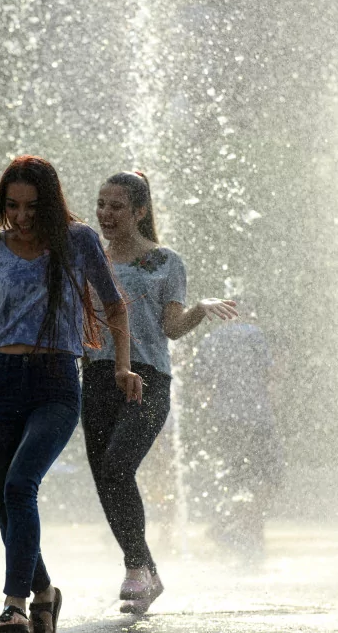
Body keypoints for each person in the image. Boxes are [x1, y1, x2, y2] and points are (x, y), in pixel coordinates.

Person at [0, 155, 142, 633]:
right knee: (6, 499)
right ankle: (45, 592)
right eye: (13, 206)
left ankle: (14, 603)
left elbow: (115, 307)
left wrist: (122, 366)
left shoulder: (77, 241)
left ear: (49, 205)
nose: (21, 216)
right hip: (1, 381)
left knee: (21, 485)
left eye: (32, 207)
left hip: (57, 382)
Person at [82, 171, 238, 613]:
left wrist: (200, 310)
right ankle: (147, 573)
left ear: (139, 211)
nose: (106, 214)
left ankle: (135, 567)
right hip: (96, 378)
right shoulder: (89, 257)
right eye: (101, 204)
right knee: (106, 481)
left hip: (148, 381)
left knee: (116, 466)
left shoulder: (167, 261)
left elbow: (170, 329)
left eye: (116, 206)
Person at [189, 296, 282, 562]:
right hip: (258, 418)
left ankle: (249, 540)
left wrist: (216, 408)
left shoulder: (211, 340)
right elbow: (270, 375)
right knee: (269, 477)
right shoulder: (255, 335)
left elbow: (200, 386)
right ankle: (234, 529)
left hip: (226, 419)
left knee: (239, 479)